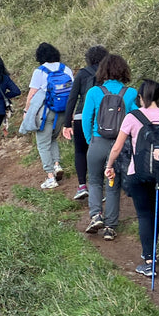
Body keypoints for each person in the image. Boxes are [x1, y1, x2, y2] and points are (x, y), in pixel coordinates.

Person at [107, 79, 159, 277]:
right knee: (155, 211)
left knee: (144, 214)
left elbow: (118, 147)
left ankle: (148, 259)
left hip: (138, 174)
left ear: (140, 97)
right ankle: (151, 253)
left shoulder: (132, 117)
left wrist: (109, 165)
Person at [82, 54, 138, 241]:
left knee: (95, 180)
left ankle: (96, 215)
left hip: (98, 142)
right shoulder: (130, 93)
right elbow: (136, 119)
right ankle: (110, 227)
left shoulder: (94, 92)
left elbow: (86, 119)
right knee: (113, 185)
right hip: (120, 145)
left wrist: (91, 140)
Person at [20, 42, 72, 189]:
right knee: (52, 138)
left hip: (45, 111)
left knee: (42, 143)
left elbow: (32, 94)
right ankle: (56, 165)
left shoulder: (40, 71)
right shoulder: (65, 69)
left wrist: (26, 111)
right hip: (62, 110)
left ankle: (50, 177)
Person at [62, 46, 108, 201]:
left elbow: (72, 98)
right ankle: (100, 189)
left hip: (81, 117)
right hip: (102, 117)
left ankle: (82, 186)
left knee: (80, 151)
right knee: (101, 152)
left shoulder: (82, 74)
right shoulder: (108, 74)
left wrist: (67, 122)